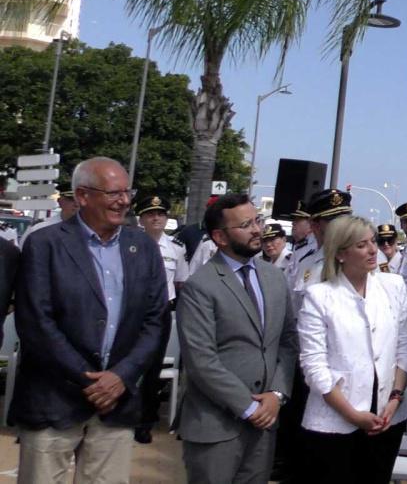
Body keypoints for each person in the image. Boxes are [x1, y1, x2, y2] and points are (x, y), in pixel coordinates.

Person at [12, 157, 168, 484]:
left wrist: (121, 377)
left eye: (127, 192)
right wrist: (90, 379)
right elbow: (36, 323)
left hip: (116, 405)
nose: (124, 200)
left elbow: (155, 320)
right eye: (113, 193)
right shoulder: (45, 244)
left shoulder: (143, 247)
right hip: (54, 400)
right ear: (82, 196)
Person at [176, 193, 298, 484]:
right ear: (219, 236)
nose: (257, 230)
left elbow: (288, 341)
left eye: (257, 220)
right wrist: (249, 406)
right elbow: (201, 360)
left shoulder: (275, 278)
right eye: (246, 225)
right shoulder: (200, 287)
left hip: (265, 425)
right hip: (215, 426)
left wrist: (277, 395)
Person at [297, 215, 407, 482]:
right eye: (361, 245)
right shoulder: (320, 296)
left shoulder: (393, 286)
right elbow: (314, 365)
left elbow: (405, 345)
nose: (373, 250)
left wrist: (395, 397)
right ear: (341, 253)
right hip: (334, 420)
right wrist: (352, 414)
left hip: (387, 415)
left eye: (373, 241)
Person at [274, 188, 352, 483]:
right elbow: (293, 311)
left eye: (344, 218)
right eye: (333, 221)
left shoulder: (359, 260)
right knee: (301, 429)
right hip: (306, 359)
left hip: (342, 363)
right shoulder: (306, 261)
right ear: (317, 225)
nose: (340, 226)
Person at [134, 193, 185, 444]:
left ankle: (145, 420)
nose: (156, 218)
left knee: (153, 368)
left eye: (161, 214)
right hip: (132, 312)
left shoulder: (176, 248)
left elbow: (181, 283)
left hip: (160, 313)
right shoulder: (128, 243)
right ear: (141, 218)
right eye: (150, 214)